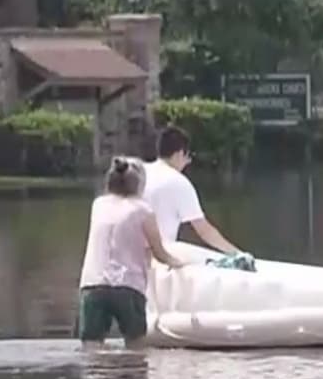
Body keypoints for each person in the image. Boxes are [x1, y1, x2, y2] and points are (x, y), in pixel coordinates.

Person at [77, 156, 186, 349]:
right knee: (136, 348)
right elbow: (160, 254)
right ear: (140, 184)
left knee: (91, 350)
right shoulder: (143, 211)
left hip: (92, 285)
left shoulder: (99, 205)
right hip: (127, 286)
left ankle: (95, 377)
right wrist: (178, 263)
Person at [142, 125, 243, 254]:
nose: (188, 162)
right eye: (188, 156)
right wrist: (236, 253)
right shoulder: (179, 182)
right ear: (180, 153)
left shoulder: (138, 173)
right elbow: (204, 230)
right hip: (158, 256)